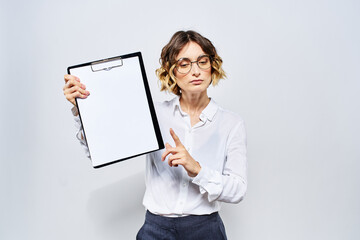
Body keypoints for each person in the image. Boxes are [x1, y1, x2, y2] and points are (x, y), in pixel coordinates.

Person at [63, 30, 247, 240]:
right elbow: (103, 149)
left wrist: (197, 169)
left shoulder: (231, 124)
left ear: (212, 67)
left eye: (202, 61)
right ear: (171, 72)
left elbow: (238, 190)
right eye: (184, 64)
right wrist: (81, 109)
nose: (195, 71)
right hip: (156, 230)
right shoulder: (154, 114)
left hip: (205, 230)